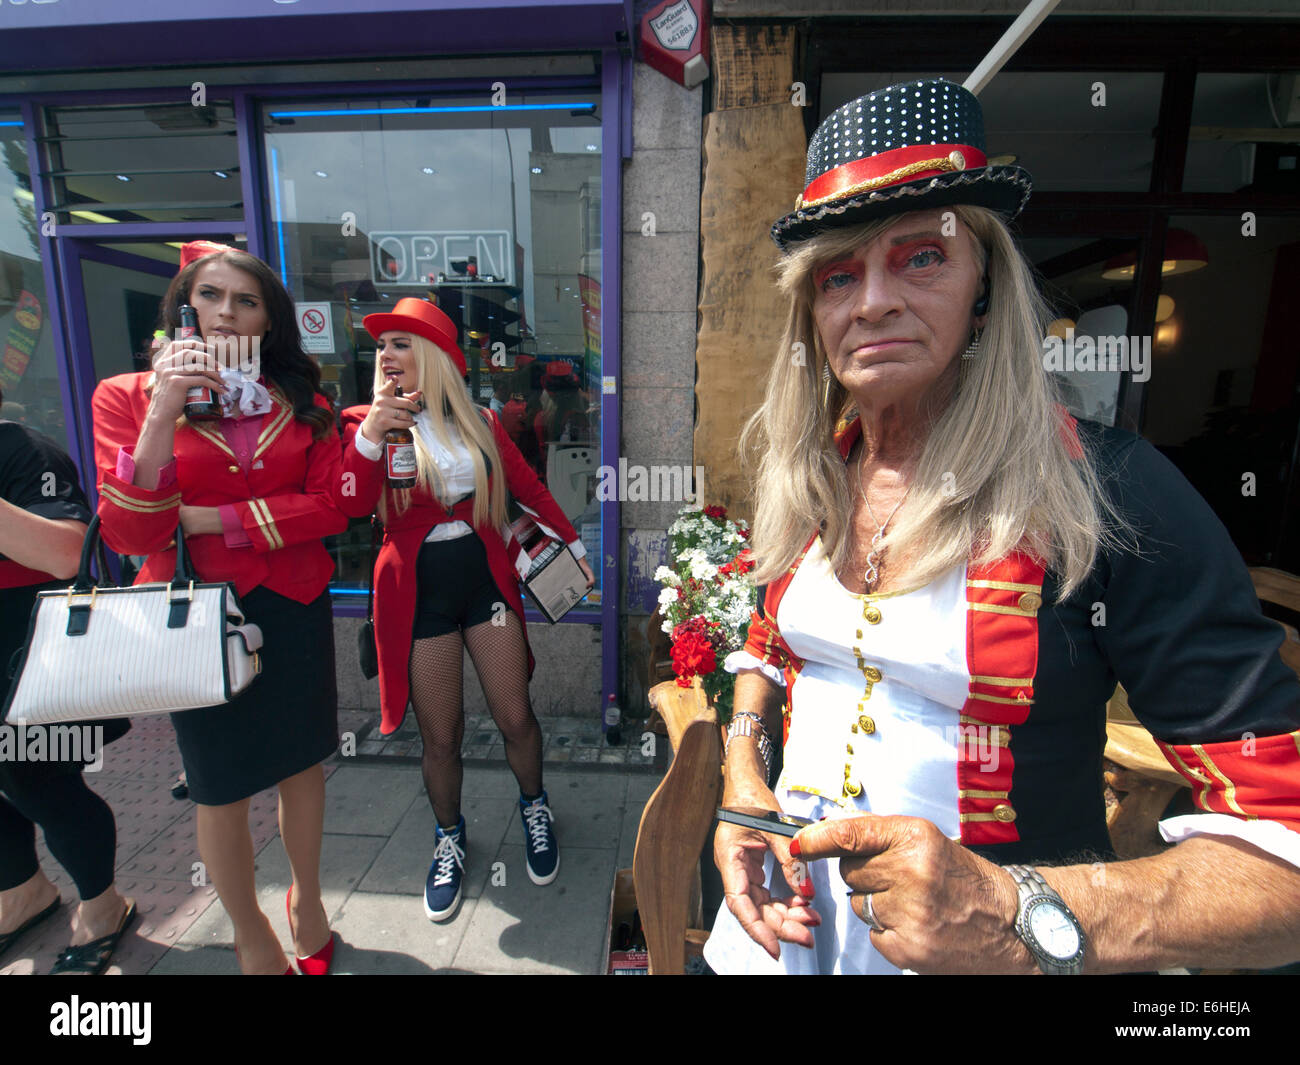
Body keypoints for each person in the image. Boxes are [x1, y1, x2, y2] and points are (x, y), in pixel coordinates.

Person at [708, 79, 1300, 975]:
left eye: (919, 259)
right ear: (812, 314)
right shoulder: (808, 473)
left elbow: (1285, 857)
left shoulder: (1111, 491)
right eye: (839, 275)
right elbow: (765, 649)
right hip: (764, 951)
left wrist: (1018, 906)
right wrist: (742, 784)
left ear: (985, 285)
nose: (871, 301)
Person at [91, 243, 347, 975]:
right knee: (219, 781)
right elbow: (131, 531)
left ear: (269, 319)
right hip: (192, 614)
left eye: (247, 300)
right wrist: (164, 406)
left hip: (294, 602)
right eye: (211, 296)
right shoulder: (126, 394)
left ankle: (309, 898)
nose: (227, 312)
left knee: (302, 765)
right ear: (184, 306)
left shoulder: (306, 398)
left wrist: (211, 519)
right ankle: (248, 928)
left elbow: (331, 508)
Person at [335, 298, 595, 923]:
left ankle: (535, 806)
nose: (387, 356)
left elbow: (526, 486)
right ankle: (448, 837)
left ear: (434, 356)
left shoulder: (479, 419)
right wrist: (374, 431)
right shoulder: (360, 424)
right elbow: (349, 504)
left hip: (485, 582)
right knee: (441, 734)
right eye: (382, 346)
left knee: (515, 714)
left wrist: (571, 546)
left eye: (401, 343)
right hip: (417, 592)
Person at [0, 392, 134, 975]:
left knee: (40, 785)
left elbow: (64, 553)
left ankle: (103, 903)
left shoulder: (29, 452)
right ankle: (22, 892)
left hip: (36, 664)